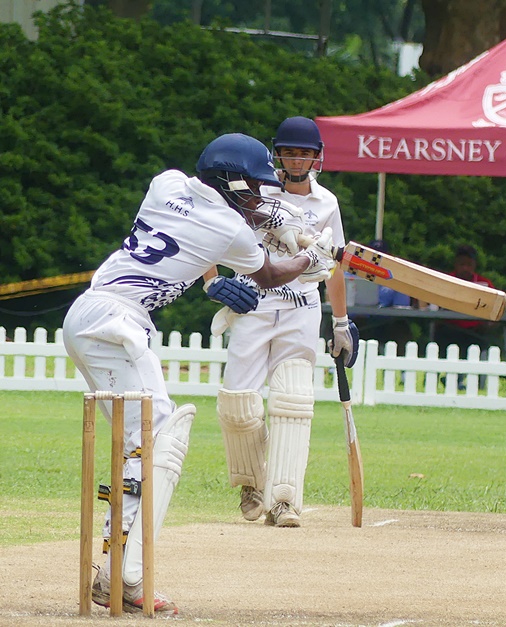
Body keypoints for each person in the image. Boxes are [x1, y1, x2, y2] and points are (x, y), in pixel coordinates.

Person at [63, 132, 336, 614]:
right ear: (230, 182)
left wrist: (271, 222)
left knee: (136, 446)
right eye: (251, 186)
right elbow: (270, 273)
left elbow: (229, 217)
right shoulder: (226, 229)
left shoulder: (164, 183)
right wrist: (309, 257)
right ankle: (125, 576)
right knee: (161, 436)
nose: (256, 196)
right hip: (118, 324)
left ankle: (116, 574)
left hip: (87, 314)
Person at [202, 117, 357, 529]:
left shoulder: (327, 204)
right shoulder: (253, 189)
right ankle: (251, 485)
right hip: (251, 301)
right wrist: (213, 280)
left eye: (304, 153)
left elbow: (335, 266)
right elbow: (208, 230)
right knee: (238, 402)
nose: (296, 159)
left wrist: (340, 321)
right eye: (290, 152)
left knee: (292, 402)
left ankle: (284, 499)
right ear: (277, 154)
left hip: (301, 308)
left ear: (317, 158)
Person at [434, 244, 501, 357]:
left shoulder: (484, 283)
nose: (465, 268)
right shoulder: (445, 281)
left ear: (474, 265)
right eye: (462, 264)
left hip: (475, 332)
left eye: (469, 264)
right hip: (450, 330)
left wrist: (488, 324)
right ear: (456, 264)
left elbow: (495, 308)